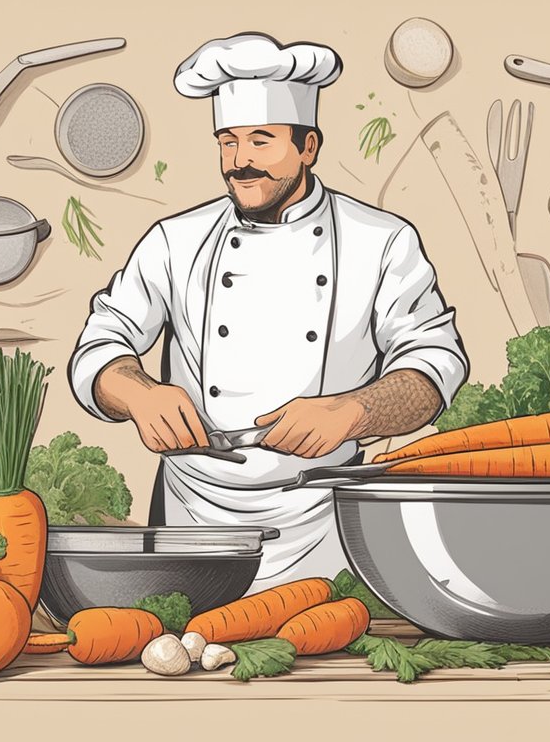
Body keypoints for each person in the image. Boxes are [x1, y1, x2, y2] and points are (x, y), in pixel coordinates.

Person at [68, 33, 468, 590]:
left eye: (261, 140)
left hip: (325, 519)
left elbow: (435, 363)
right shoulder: (174, 241)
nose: (240, 162)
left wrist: (353, 411)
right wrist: (139, 394)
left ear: (308, 147)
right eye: (228, 142)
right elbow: (100, 345)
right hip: (194, 518)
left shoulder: (382, 241)